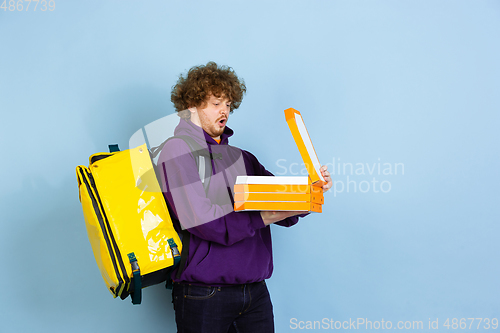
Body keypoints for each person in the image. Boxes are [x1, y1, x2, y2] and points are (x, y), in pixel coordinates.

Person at [157, 62, 332, 333]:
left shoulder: (243, 157)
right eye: (216, 103)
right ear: (191, 106)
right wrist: (264, 217)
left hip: (255, 293)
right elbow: (204, 221)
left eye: (228, 104)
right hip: (205, 294)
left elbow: (282, 202)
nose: (224, 110)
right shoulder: (177, 150)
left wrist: (311, 190)